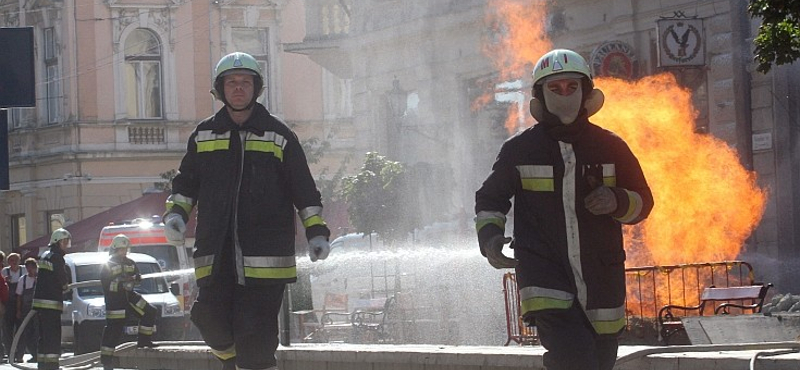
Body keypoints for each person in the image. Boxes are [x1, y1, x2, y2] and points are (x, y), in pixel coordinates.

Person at [474, 48, 654, 370]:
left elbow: (643, 201)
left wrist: (617, 200)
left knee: (598, 362)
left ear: (586, 92)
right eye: (554, 89)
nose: (564, 96)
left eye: (572, 87)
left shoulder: (612, 147)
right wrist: (490, 240)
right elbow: (490, 200)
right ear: (540, 96)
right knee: (573, 358)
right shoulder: (520, 150)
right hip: (546, 280)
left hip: (602, 282)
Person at [163, 51, 332, 370]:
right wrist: (176, 215)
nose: (238, 88)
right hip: (215, 254)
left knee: (255, 336)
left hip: (265, 262)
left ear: (256, 88)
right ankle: (232, 361)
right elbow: (186, 184)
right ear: (220, 89)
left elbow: (304, 190)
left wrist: (316, 232)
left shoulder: (279, 135)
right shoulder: (203, 135)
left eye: (245, 82)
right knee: (207, 318)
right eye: (231, 82)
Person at [99, 234, 158, 370]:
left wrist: (136, 278)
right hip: (115, 301)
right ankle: (107, 362)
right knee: (113, 330)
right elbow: (106, 285)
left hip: (130, 296)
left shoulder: (130, 262)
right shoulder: (107, 265)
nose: (124, 252)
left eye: (126, 249)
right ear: (115, 249)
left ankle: (144, 342)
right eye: (121, 249)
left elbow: (137, 278)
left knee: (150, 311)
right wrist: (121, 284)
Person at [33, 228, 71, 370]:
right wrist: (65, 286)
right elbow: (61, 277)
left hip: (41, 303)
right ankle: (52, 365)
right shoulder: (56, 257)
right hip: (51, 303)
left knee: (43, 336)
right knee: (53, 336)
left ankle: (42, 364)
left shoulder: (45, 255)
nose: (66, 245)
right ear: (58, 242)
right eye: (64, 242)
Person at [14, 258, 37, 363]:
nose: (30, 270)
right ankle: (28, 354)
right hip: (25, 311)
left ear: (35, 267)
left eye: (32, 268)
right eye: (28, 268)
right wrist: (18, 310)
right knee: (26, 333)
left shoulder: (40, 279)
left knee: (37, 332)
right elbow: (19, 296)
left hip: (37, 311)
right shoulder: (22, 280)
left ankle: (37, 355)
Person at [2, 253, 24, 358]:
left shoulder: (24, 270)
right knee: (8, 330)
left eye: (16, 260)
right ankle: (10, 352)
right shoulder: (4, 271)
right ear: (8, 262)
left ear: (19, 260)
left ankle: (20, 354)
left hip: (22, 303)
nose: (14, 262)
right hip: (8, 305)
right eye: (11, 260)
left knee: (21, 329)